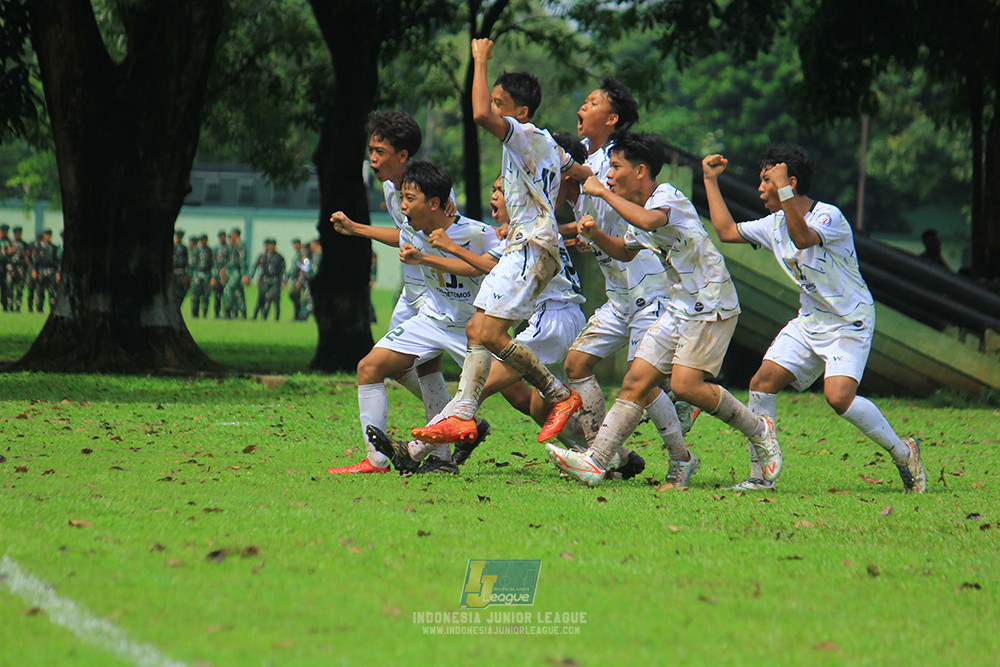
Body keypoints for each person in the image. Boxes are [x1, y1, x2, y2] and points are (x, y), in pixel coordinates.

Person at [546, 131, 778, 488]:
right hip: (679, 306)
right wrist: (595, 237)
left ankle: (758, 429)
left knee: (686, 387)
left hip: (711, 304)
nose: (608, 174)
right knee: (636, 382)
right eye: (608, 167)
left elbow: (651, 222)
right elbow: (625, 249)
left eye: (616, 167)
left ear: (640, 171)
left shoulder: (667, 197)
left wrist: (602, 192)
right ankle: (595, 462)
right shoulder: (637, 210)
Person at [701, 144, 926, 493]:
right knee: (761, 383)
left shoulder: (829, 216)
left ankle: (903, 452)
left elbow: (803, 237)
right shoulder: (774, 223)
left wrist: (785, 190)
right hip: (810, 320)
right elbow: (727, 232)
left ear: (789, 182)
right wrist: (709, 180)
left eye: (767, 181)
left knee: (838, 398)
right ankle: (761, 476)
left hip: (849, 321)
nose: (760, 189)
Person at [411, 38, 589, 448]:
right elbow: (579, 172)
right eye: (492, 101)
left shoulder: (523, 135)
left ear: (521, 112)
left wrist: (479, 60)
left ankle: (560, 397)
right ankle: (461, 416)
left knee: (489, 334)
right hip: (524, 246)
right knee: (478, 328)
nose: (492, 110)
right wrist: (590, 205)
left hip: (531, 247)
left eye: (499, 103)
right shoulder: (547, 144)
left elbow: (475, 114)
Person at [564, 78, 705, 458]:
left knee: (639, 380)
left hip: (648, 287)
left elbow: (635, 217)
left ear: (611, 119)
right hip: (618, 291)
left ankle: (679, 454)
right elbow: (601, 224)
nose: (582, 107)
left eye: (591, 103)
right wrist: (584, 235)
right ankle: (598, 447)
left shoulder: (611, 162)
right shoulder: (592, 162)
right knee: (576, 365)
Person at [333, 161, 501, 475]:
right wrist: (355, 228)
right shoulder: (413, 229)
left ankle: (593, 446)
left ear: (435, 203)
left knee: (521, 397)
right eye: (403, 198)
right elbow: (398, 235)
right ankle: (377, 462)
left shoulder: (479, 233)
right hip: (432, 319)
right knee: (369, 367)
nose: (403, 205)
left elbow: (488, 266)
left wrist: (425, 258)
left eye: (409, 198)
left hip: (472, 328)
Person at [325, 111, 456, 473]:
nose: (373, 158)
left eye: (380, 151)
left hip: (437, 297)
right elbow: (406, 236)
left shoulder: (435, 193)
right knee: (410, 368)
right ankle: (447, 440)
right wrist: (355, 229)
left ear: (403, 156)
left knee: (379, 366)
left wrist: (357, 229)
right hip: (413, 293)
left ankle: (440, 437)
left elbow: (445, 242)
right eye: (371, 150)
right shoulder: (389, 189)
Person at [250, 238, 285, 320]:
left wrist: (284, 281)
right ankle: (258, 315)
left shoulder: (279, 257)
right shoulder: (263, 256)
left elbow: (283, 270)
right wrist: (251, 277)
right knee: (262, 298)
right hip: (264, 280)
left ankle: (276, 317)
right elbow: (256, 267)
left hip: (275, 280)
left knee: (275, 299)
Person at [32, 229, 59, 313]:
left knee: (52, 292)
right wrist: (34, 270)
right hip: (41, 270)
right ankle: (39, 309)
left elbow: (57, 261)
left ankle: (52, 309)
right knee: (40, 291)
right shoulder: (38, 247)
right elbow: (34, 260)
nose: (48, 236)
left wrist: (58, 272)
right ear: (43, 236)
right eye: (46, 234)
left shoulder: (54, 247)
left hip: (51, 271)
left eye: (49, 235)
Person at [224, 227, 248, 319]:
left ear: (235, 235)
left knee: (228, 290)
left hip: (237, 272)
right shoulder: (234, 246)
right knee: (239, 293)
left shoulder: (240, 245)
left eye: (232, 236)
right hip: (233, 271)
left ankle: (227, 312)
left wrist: (244, 274)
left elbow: (242, 260)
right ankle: (243, 314)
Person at [189, 234, 213, 318]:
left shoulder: (210, 251)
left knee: (206, 295)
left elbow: (212, 264)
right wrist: (191, 276)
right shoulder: (196, 250)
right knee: (195, 295)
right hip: (197, 274)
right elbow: (192, 264)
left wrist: (212, 277)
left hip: (206, 274)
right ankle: (194, 314)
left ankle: (204, 313)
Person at [7, 226, 29, 312]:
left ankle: (18, 306)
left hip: (21, 268)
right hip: (12, 267)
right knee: (10, 287)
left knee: (20, 288)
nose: (18, 235)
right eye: (16, 233)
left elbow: (28, 257)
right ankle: (10, 305)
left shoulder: (24, 244)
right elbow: (5, 255)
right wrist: (10, 251)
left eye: (19, 233)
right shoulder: (10, 243)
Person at [211, 230, 229, 318]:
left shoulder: (229, 248)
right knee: (217, 295)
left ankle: (227, 313)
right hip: (217, 275)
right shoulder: (215, 249)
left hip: (226, 275)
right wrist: (214, 277)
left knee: (227, 295)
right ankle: (217, 313)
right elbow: (213, 263)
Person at [287, 238, 305, 319]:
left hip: (300, 278)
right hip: (294, 277)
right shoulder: (297, 254)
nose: (294, 246)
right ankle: (297, 314)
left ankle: (300, 315)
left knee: (295, 294)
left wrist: (300, 280)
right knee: (293, 295)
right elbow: (293, 267)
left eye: (295, 244)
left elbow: (304, 268)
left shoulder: (303, 254)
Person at [173, 230, 190, 306]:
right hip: (173, 272)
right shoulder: (172, 246)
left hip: (181, 272)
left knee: (181, 291)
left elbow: (186, 262)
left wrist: (186, 274)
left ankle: (178, 305)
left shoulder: (184, 248)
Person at [0, 224, 11, 311]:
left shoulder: (9, 242)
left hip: (5, 268)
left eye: (6, 231)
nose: (4, 233)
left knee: (5, 287)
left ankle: (5, 306)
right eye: (3, 231)